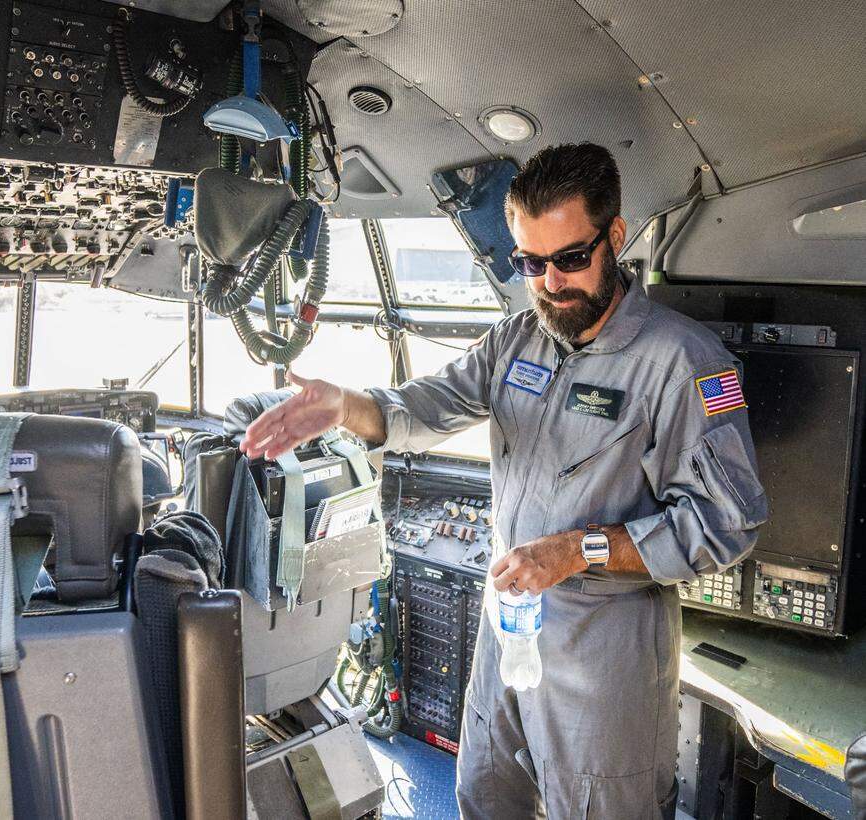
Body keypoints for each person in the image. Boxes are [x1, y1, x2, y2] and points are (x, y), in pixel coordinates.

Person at [241, 142, 769, 817]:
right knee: (484, 796)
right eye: (531, 263)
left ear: (614, 236)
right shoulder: (517, 339)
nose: (551, 283)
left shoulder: (683, 363)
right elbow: (421, 408)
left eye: (571, 259)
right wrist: (345, 406)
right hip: (508, 639)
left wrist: (577, 550)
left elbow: (725, 525)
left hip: (605, 659)